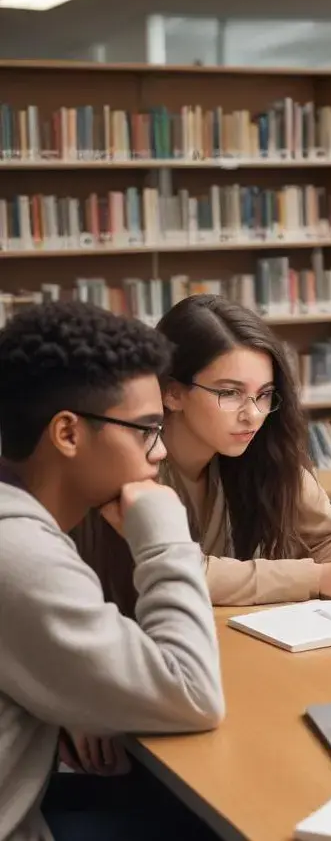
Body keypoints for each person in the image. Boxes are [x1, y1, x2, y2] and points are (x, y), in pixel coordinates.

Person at [0, 301, 225, 841]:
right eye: (145, 429)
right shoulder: (18, 551)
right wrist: (167, 538)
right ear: (68, 434)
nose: (161, 450)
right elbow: (194, 696)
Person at [77, 294, 331, 612]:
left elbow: (328, 538)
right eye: (229, 393)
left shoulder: (263, 448)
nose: (253, 414)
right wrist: (318, 578)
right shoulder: (130, 464)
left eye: (265, 394)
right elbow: (178, 569)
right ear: (172, 392)